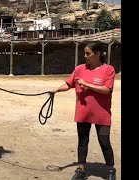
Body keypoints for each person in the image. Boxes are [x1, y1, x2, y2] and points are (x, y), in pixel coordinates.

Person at [50, 42, 116, 180]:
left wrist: (87, 85)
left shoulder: (108, 70)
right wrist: (55, 90)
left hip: (102, 114)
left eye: (88, 53)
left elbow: (107, 90)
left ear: (98, 54)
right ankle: (81, 170)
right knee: (82, 141)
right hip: (83, 112)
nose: (85, 56)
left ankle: (110, 169)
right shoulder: (80, 69)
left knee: (104, 142)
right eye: (85, 53)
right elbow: (69, 84)